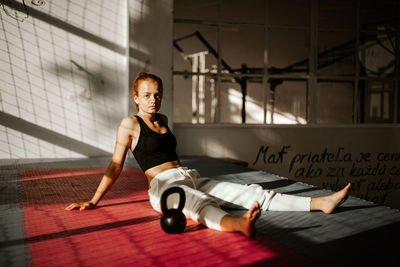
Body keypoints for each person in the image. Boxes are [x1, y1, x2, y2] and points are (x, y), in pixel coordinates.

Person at [65, 72, 351, 237]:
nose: (154, 99)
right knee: (197, 204)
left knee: (251, 192)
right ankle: (238, 224)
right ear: (136, 97)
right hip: (164, 186)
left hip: (191, 176)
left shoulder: (162, 118)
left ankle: (320, 203)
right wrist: (93, 200)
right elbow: (115, 165)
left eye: (158, 94)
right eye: (147, 94)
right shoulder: (129, 123)